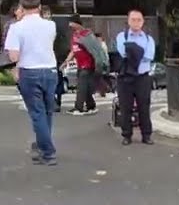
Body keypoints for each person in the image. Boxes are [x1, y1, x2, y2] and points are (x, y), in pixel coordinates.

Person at [4, 0, 60, 165]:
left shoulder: (16, 28)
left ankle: (48, 152)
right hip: (50, 70)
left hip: (29, 72)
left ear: (21, 7)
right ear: (39, 6)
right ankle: (43, 146)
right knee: (47, 112)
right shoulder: (51, 25)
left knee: (37, 114)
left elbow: (13, 56)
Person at [113, 8, 156, 145]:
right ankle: (126, 135)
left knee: (144, 106)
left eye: (139, 20)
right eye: (133, 20)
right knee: (126, 107)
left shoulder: (149, 39)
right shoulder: (121, 36)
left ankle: (146, 135)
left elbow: (149, 56)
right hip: (125, 77)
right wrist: (138, 52)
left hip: (142, 77)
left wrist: (132, 50)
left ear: (143, 22)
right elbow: (123, 52)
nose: (136, 22)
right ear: (128, 21)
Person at [65, 15, 103, 115]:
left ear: (77, 23)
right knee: (84, 87)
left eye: (72, 23)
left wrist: (98, 63)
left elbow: (95, 49)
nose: (70, 26)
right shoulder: (74, 36)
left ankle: (78, 107)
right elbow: (73, 51)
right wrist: (66, 62)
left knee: (81, 87)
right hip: (80, 65)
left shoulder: (86, 35)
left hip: (88, 65)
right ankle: (91, 106)